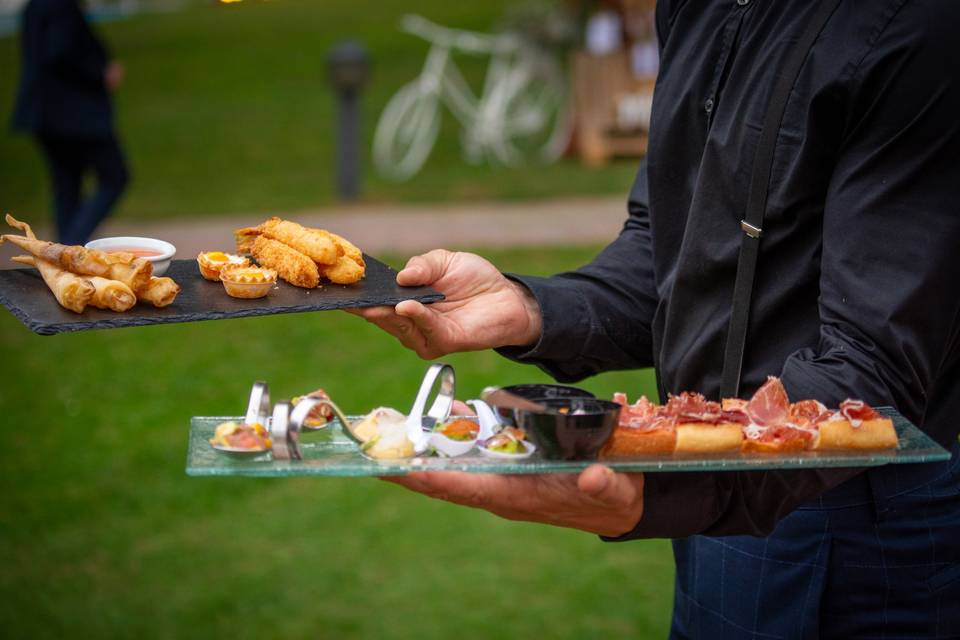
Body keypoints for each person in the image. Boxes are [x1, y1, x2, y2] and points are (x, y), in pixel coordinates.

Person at [353, 1, 960, 638]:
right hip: (709, 492)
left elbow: (875, 365)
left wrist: (658, 495)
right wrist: (530, 308)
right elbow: (670, 247)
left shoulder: (920, 26)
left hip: (873, 524)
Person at [10, 0, 130, 246]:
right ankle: (72, 245)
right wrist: (101, 71)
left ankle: (64, 254)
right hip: (73, 113)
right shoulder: (60, 6)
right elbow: (61, 51)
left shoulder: (35, 6)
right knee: (114, 176)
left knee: (66, 185)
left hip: (43, 112)